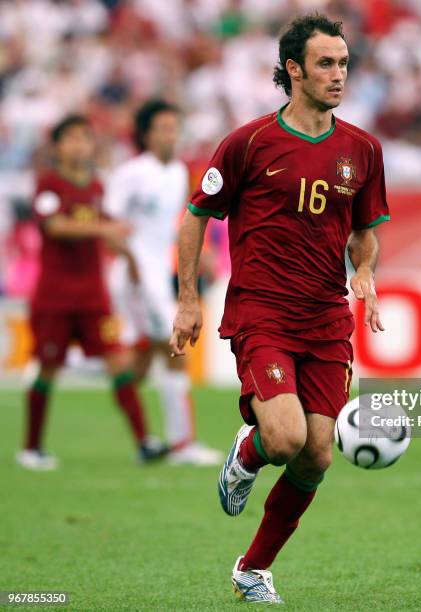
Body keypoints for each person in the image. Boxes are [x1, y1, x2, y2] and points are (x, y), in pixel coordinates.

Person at [170, 14, 389, 604]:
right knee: (287, 438)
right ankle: (248, 450)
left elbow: (365, 230)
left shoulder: (363, 150)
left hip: (325, 317)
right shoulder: (249, 143)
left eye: (343, 63)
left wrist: (365, 269)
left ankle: (252, 567)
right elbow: (196, 215)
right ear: (293, 69)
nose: (338, 74)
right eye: (325, 63)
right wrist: (188, 298)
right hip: (262, 310)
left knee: (318, 454)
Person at [17, 115, 167, 471]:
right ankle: (32, 448)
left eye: (85, 138)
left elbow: (106, 233)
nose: (80, 145)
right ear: (57, 146)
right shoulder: (48, 184)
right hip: (54, 296)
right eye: (71, 139)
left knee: (117, 359)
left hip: (94, 297)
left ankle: (144, 441)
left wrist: (128, 255)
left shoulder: (98, 186)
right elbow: (56, 227)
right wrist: (106, 227)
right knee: (49, 367)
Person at [105, 100, 222, 466]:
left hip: (158, 273)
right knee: (178, 345)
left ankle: (126, 403)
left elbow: (174, 227)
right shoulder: (131, 173)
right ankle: (181, 444)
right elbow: (110, 225)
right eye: (163, 128)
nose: (171, 135)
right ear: (145, 133)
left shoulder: (175, 173)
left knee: (145, 355)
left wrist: (199, 254)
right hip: (138, 278)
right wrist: (131, 263)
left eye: (175, 127)